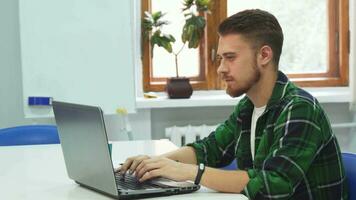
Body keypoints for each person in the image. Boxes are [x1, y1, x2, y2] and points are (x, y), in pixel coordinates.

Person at [118, 9, 348, 199]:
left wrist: (188, 172)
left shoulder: (299, 108)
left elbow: (274, 184)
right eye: (220, 59)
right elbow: (209, 149)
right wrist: (156, 163)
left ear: (264, 55)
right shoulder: (248, 107)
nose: (220, 69)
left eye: (230, 58)